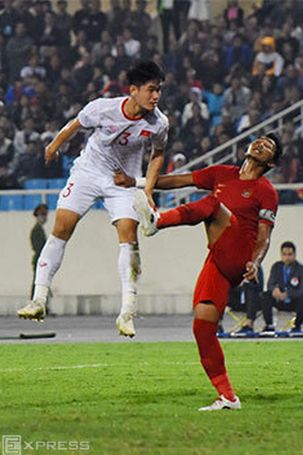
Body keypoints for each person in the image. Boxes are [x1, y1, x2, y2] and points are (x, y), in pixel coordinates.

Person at [122, 133, 281, 410]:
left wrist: (255, 262)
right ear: (247, 146)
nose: (261, 144)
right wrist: (136, 183)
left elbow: (264, 236)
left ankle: (158, 220)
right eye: (260, 140)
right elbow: (177, 181)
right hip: (217, 257)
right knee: (203, 325)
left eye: (269, 147)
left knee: (212, 205)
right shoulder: (221, 174)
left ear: (271, 163)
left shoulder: (266, 190)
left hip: (240, 253)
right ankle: (228, 397)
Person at [17, 60, 169, 339]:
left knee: (129, 237)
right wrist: (54, 145)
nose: (156, 96)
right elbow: (75, 124)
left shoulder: (159, 122)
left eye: (159, 90)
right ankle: (39, 299)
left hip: (123, 181)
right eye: (151, 90)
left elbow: (158, 154)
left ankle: (127, 312)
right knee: (61, 229)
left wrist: (146, 189)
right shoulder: (103, 108)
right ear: (133, 90)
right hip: (89, 172)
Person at [260, 241, 303, 335]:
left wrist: (288, 294)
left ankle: (297, 326)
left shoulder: (301, 269)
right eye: (284, 254)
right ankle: (269, 325)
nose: (287, 257)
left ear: (294, 255)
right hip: (279, 300)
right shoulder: (276, 267)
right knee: (265, 295)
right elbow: (270, 284)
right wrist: (274, 291)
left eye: (289, 254)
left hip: (294, 301)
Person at [227, 266, 264, 336]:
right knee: (221, 290)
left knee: (251, 288)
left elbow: (259, 287)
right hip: (237, 299)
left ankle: (249, 324)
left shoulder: (255, 267)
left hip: (253, 302)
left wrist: (245, 285)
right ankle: (217, 324)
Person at [30, 204, 49, 312]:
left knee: (41, 283)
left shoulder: (39, 229)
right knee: (38, 283)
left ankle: (41, 305)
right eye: (42, 215)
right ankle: (36, 305)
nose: (44, 217)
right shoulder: (37, 230)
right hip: (39, 260)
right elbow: (38, 248)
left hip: (40, 260)